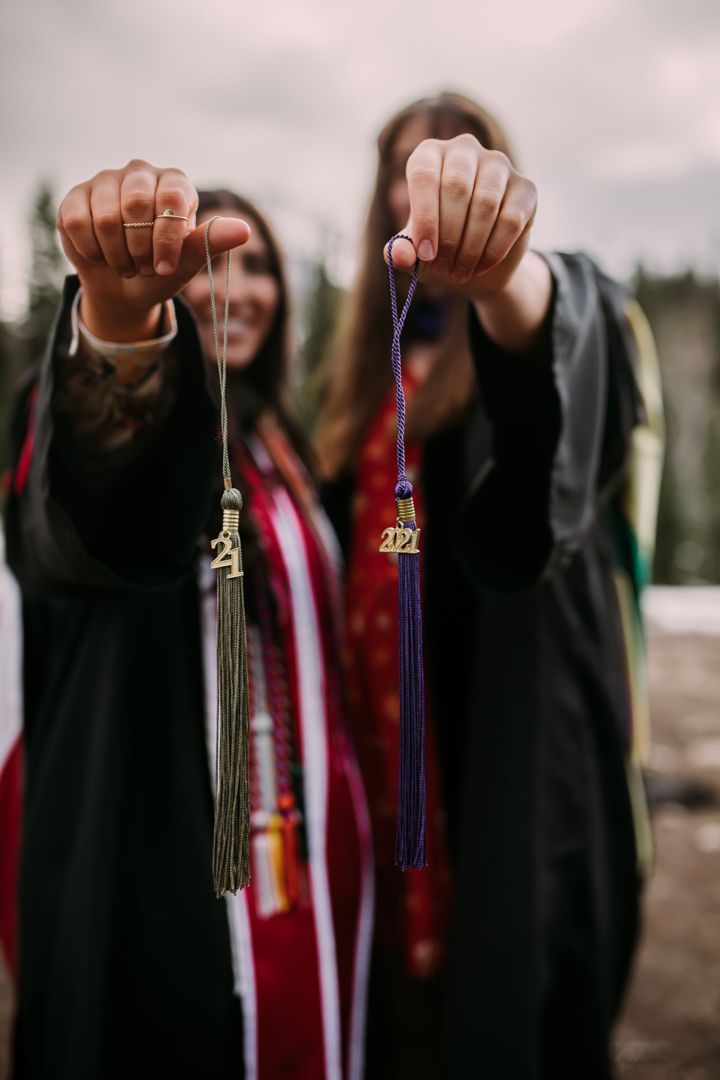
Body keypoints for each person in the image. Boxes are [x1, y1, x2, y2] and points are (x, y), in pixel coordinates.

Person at [316, 92, 664, 1079]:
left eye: (453, 159)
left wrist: (509, 285)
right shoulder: (357, 378)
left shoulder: (557, 308)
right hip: (387, 762)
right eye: (402, 163)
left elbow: (550, 428)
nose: (422, 181)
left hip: (511, 746)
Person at [5, 167, 373, 1080]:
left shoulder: (283, 447)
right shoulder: (74, 417)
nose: (236, 289)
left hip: (309, 856)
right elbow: (91, 512)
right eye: (206, 261)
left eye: (255, 266)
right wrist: (122, 339)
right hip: (161, 847)